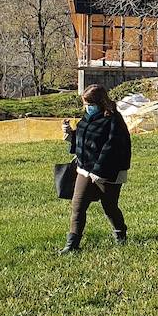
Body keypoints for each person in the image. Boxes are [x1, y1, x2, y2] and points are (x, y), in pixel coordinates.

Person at [60, 84, 132, 255]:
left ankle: (120, 235)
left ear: (99, 102)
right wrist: (71, 134)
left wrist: (99, 172)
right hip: (85, 169)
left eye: (88, 104)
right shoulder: (87, 116)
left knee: (110, 207)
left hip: (109, 173)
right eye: (85, 104)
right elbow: (84, 138)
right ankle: (72, 245)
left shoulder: (114, 119)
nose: (86, 107)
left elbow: (112, 148)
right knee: (77, 206)